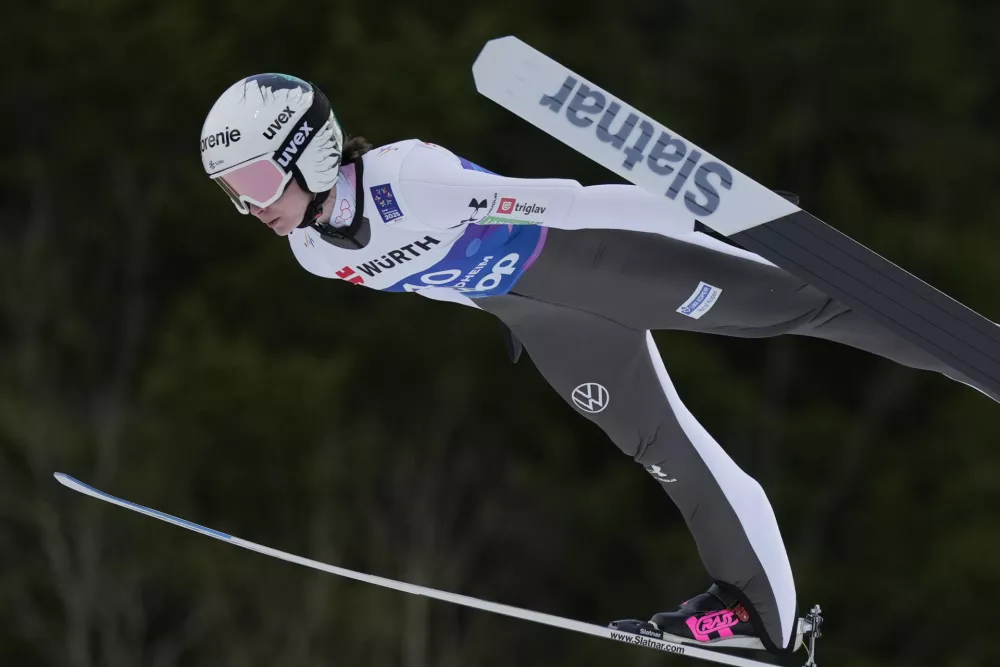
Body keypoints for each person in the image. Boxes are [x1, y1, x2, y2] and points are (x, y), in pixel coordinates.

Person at [200, 73, 995, 655]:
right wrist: (510, 314)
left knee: (802, 303)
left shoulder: (410, 177)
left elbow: (568, 203)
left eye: (258, 181)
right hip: (545, 319)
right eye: (233, 192)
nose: (252, 206)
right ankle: (760, 615)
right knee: (663, 447)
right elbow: (432, 280)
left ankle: (979, 359)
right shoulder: (312, 252)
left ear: (311, 150)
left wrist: (701, 207)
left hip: (605, 260)